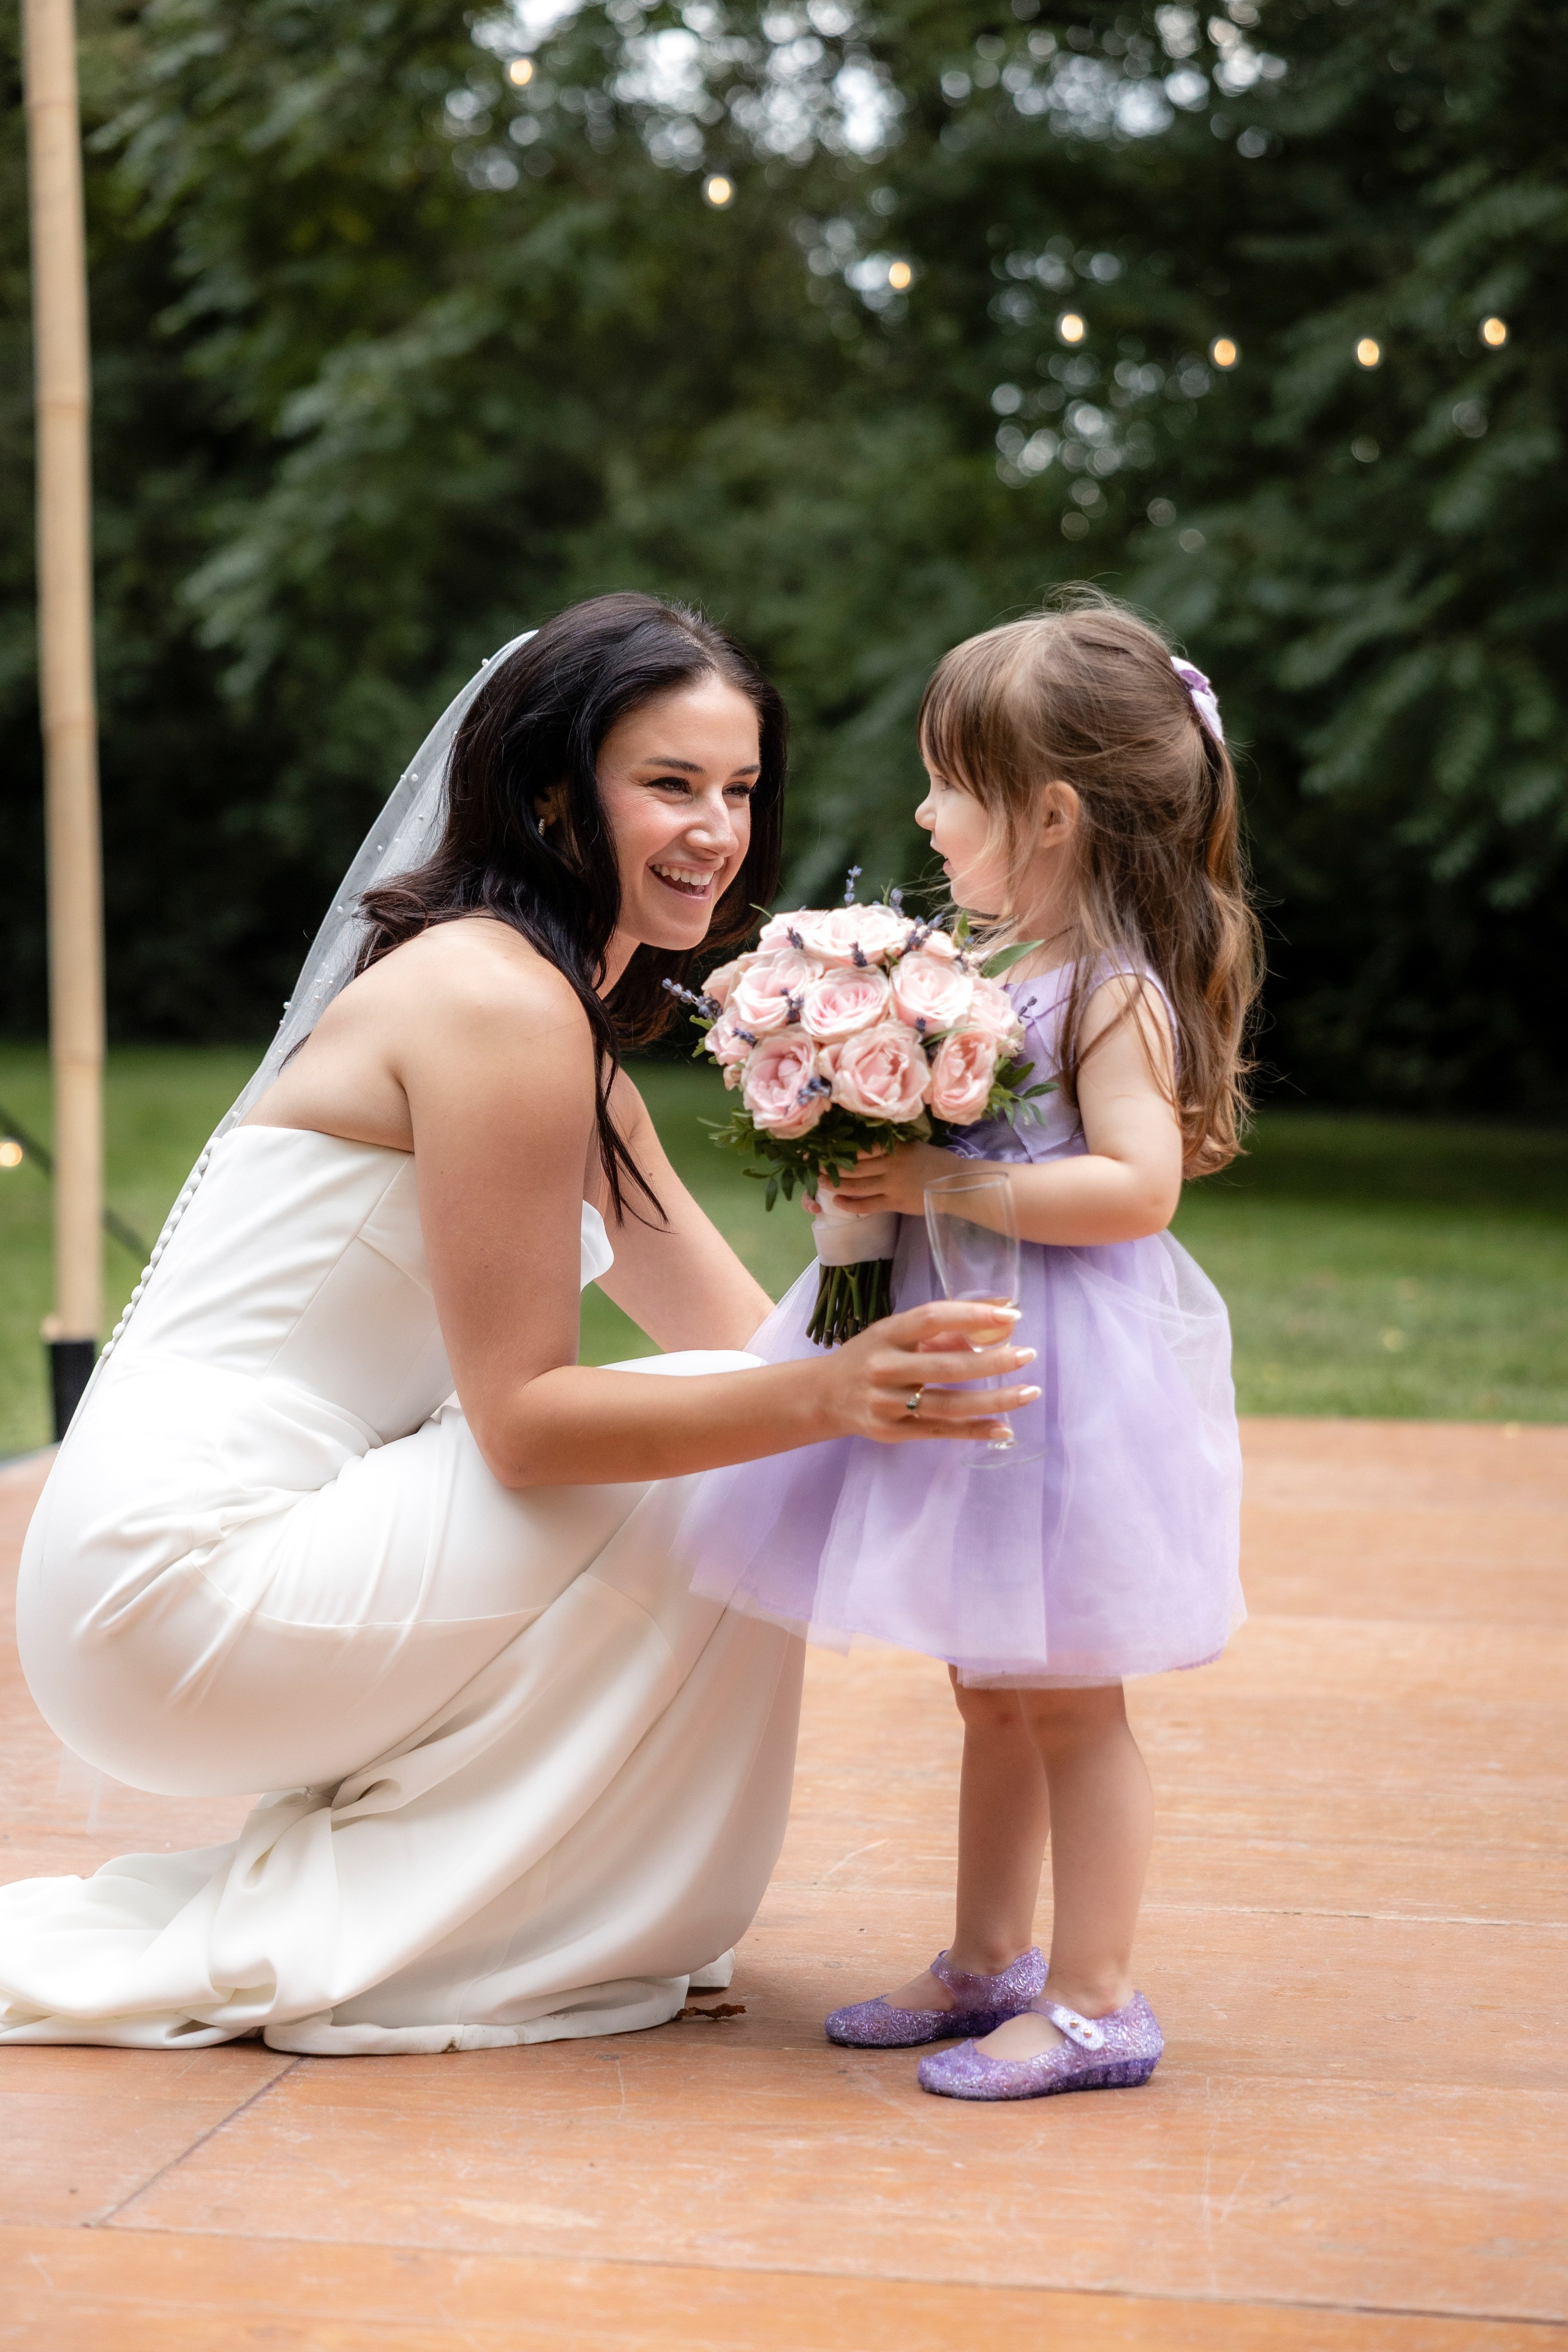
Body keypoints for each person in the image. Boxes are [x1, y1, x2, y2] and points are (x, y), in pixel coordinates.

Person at [0, 592, 1036, 2054]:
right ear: (551, 793)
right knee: (708, 1430)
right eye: (668, 785)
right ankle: (495, 1914)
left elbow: (759, 1345)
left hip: (223, 1561)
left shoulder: (555, 1029)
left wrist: (867, 1235)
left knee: (727, 1416)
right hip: (175, 1586)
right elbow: (536, 1426)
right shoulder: (497, 1007)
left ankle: (519, 1897)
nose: (717, 830)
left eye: (739, 789)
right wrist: (824, 1400)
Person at [682, 590, 1262, 2101]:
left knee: (1068, 1693)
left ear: (1048, 813)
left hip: (1060, 1379)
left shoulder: (1108, 992)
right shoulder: (989, 979)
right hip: (974, 1362)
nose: (926, 814)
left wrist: (948, 1180)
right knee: (985, 1681)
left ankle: (1093, 2001)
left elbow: (1136, 1185)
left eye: (951, 784)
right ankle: (986, 1954)